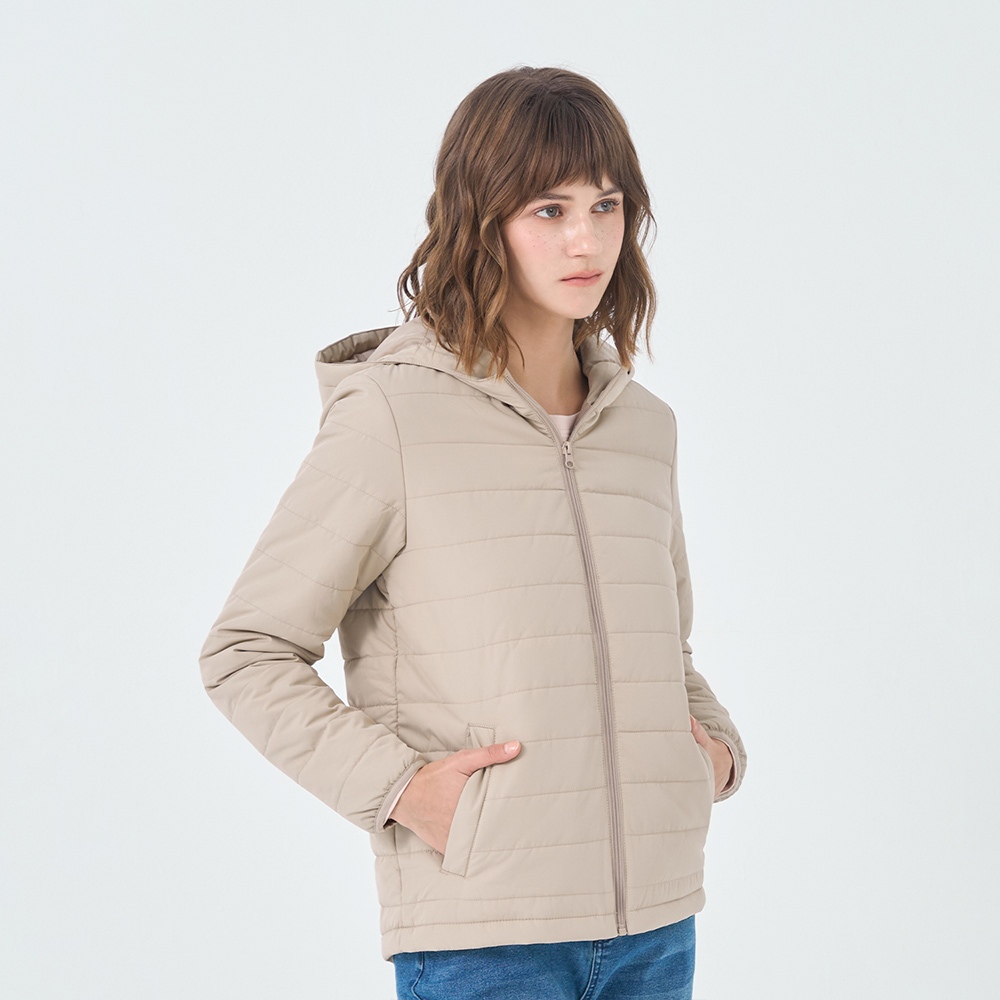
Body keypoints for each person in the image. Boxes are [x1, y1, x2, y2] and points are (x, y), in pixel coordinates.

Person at [199, 65, 746, 1000]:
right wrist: (404, 792)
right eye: (548, 209)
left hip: (658, 928)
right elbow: (246, 652)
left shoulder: (644, 429)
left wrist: (714, 754)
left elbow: (666, 647)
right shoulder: (393, 415)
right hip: (487, 936)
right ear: (480, 219)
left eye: (607, 205)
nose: (586, 240)